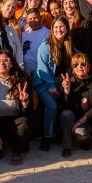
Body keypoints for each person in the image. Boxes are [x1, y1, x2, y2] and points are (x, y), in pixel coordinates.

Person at [35, 16, 73, 151]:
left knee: (65, 106)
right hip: (44, 82)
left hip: (61, 81)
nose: (59, 30)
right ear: (52, 29)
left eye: (61, 26)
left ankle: (60, 133)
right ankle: (46, 137)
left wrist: (72, 76)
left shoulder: (69, 45)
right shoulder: (45, 46)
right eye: (56, 27)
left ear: (67, 29)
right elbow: (42, 68)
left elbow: (73, 63)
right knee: (51, 106)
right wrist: (51, 85)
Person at [60, 53, 92, 157]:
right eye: (75, 64)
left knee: (83, 133)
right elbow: (65, 107)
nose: (79, 67)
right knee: (65, 114)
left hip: (85, 120)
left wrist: (81, 121)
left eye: (83, 64)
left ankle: (84, 141)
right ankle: (66, 146)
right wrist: (67, 90)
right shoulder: (69, 82)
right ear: (72, 68)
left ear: (88, 66)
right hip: (71, 119)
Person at [21, 8, 50, 76]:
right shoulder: (24, 32)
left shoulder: (46, 33)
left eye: (35, 18)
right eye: (30, 19)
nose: (33, 21)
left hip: (40, 72)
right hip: (25, 72)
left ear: (41, 18)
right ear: (27, 20)